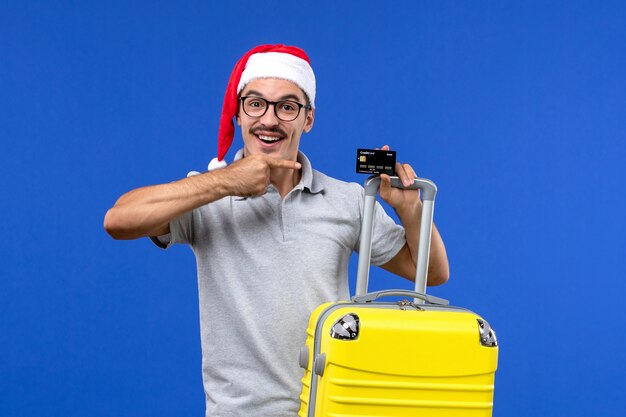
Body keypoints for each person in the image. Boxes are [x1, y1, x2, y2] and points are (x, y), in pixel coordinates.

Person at [104, 44, 449, 417]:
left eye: (287, 106)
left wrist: (410, 211)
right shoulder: (206, 193)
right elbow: (118, 221)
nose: (269, 120)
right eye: (255, 103)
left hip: (331, 406)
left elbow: (431, 273)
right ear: (238, 113)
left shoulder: (347, 200)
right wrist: (225, 183)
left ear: (308, 118)